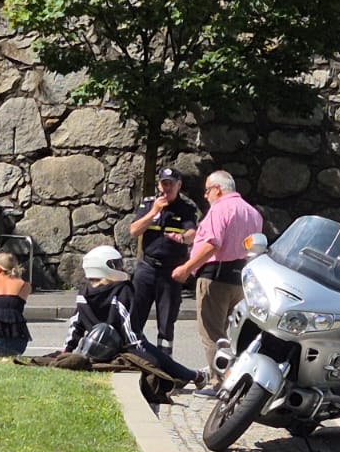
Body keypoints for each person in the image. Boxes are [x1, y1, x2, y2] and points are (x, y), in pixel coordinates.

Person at [62, 244, 205, 389]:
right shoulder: (122, 290)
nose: (120, 268)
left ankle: (186, 376)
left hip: (96, 349)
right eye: (116, 264)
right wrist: (148, 355)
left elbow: (76, 326)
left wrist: (66, 351)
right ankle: (194, 376)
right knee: (157, 356)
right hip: (122, 348)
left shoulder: (83, 294)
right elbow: (132, 336)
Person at [171, 170, 265, 385]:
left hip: (215, 277)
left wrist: (186, 268)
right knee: (234, 335)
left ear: (217, 189)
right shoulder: (253, 213)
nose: (205, 196)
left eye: (207, 191)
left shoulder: (220, 209)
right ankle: (238, 378)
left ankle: (218, 381)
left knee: (213, 333)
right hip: (240, 279)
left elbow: (212, 243)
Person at [127, 165, 199, 352]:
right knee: (135, 315)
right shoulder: (149, 204)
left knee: (167, 321)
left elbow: (193, 233)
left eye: (171, 184)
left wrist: (183, 238)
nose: (166, 188)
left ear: (179, 185)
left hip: (170, 271)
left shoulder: (185, 208)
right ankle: (131, 354)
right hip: (147, 268)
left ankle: (164, 360)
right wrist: (153, 214)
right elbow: (134, 231)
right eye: (163, 184)